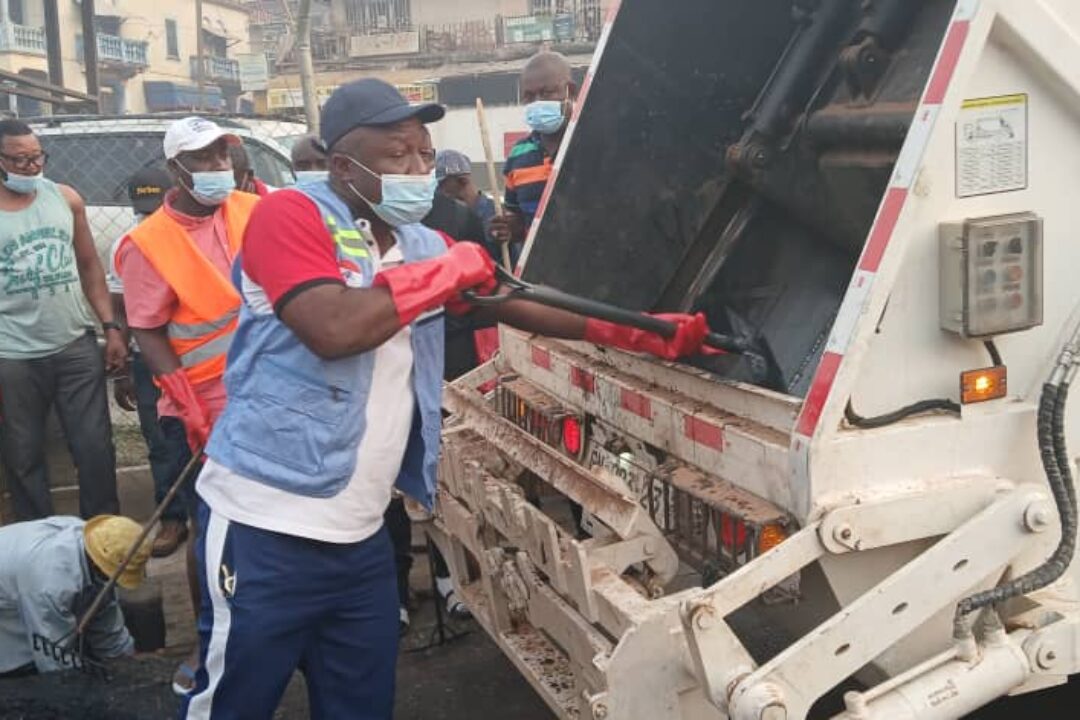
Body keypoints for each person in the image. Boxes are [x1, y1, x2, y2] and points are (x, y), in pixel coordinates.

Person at [180, 77, 714, 719]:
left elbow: (517, 301)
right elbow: (333, 328)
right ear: (345, 166)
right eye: (398, 155)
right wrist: (447, 272)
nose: (418, 169)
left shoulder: (421, 243)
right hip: (265, 525)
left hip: (360, 536)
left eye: (426, 154)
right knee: (231, 704)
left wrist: (644, 332)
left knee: (360, 706)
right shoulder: (289, 216)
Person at [116, 116, 260, 696]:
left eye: (223, 156)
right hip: (209, 402)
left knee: (273, 520)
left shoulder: (250, 211)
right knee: (217, 529)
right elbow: (147, 330)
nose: (217, 169)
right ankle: (210, 647)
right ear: (175, 169)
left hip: (273, 389)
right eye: (202, 160)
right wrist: (183, 402)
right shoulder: (147, 244)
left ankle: (273, 632)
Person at [0, 118, 127, 521]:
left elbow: (90, 266)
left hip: (75, 345)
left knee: (94, 448)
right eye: (19, 161)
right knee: (22, 457)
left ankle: (102, 545)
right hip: (12, 354)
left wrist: (110, 327)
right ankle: (39, 549)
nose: (32, 167)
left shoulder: (65, 198)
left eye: (37, 157)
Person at [108, 167, 190, 559]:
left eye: (153, 206)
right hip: (147, 362)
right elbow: (120, 308)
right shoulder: (129, 242)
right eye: (141, 209)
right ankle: (173, 518)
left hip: (193, 355)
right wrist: (121, 366)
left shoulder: (187, 237)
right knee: (160, 442)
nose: (147, 216)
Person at [0, 514, 151, 677]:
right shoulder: (50, 583)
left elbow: (105, 613)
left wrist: (126, 659)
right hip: (15, 595)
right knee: (22, 672)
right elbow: (53, 658)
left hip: (25, 582)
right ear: (98, 565)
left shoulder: (95, 545)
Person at [489, 51, 578, 263]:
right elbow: (519, 220)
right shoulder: (518, 156)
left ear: (571, 91)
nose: (538, 102)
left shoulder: (595, 142)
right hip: (541, 278)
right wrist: (509, 228)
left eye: (547, 92)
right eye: (529, 97)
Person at [435, 149, 498, 259]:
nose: (438, 191)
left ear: (462, 181)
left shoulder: (496, 215)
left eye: (442, 185)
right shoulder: (447, 217)